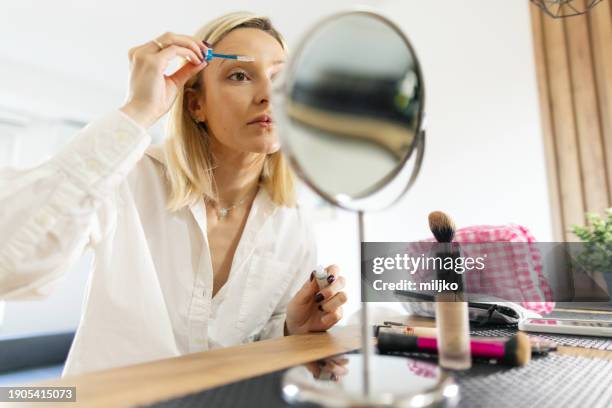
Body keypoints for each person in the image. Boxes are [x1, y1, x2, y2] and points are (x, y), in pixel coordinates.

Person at [0, 11, 347, 376]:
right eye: (240, 75)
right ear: (196, 104)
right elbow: (10, 265)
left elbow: (253, 345)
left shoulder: (293, 225)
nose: (267, 96)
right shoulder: (129, 177)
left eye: (280, 79)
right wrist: (138, 111)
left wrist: (291, 328)